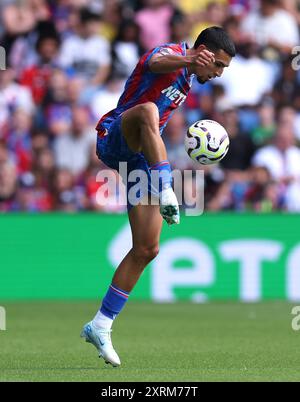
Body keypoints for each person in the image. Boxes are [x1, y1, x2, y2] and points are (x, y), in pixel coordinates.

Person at [81, 26, 235, 366]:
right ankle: (167, 188)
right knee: (149, 111)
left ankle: (101, 324)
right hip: (116, 134)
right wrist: (188, 57)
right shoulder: (172, 56)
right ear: (204, 53)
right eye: (219, 65)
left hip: (139, 159)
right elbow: (153, 63)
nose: (219, 73)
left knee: (147, 248)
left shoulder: (190, 79)